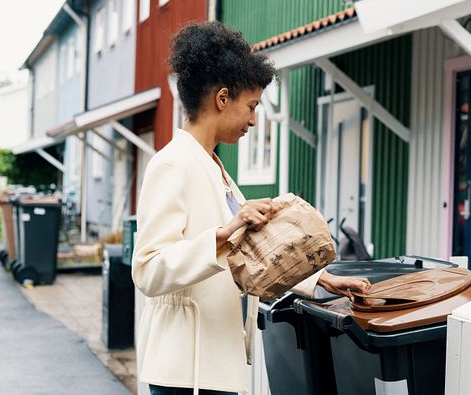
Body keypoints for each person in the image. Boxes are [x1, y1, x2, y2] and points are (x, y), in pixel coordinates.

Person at [131, 22, 371, 395]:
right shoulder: (172, 164)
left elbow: (254, 254)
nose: (254, 120)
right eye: (252, 106)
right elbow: (147, 270)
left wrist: (325, 280)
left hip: (211, 361)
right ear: (222, 98)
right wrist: (224, 233)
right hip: (184, 368)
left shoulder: (214, 168)